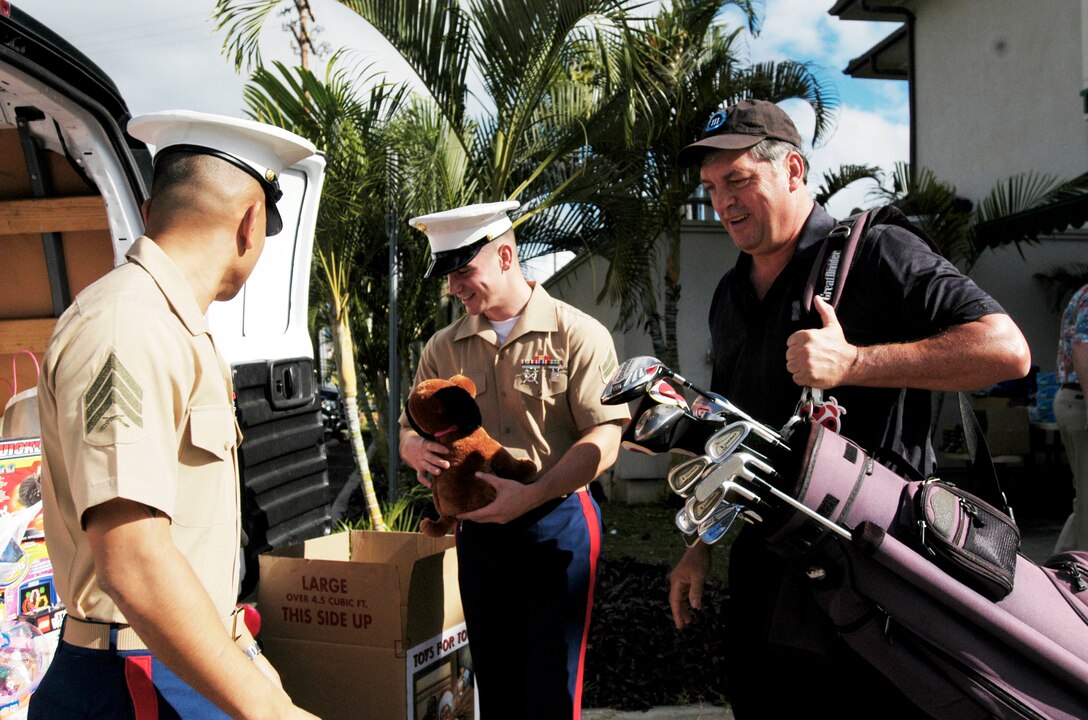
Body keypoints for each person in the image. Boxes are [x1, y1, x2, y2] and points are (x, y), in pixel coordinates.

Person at [666, 99, 1031, 718]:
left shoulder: (877, 253)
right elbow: (733, 435)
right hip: (765, 579)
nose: (722, 202)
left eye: (739, 181)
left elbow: (1007, 350)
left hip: (871, 581)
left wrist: (856, 363)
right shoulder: (730, 291)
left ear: (793, 170)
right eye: (711, 187)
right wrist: (699, 540)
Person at [32, 110, 320, 720]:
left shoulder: (172, 328)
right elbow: (133, 558)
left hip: (184, 658)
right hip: (136, 677)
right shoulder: (127, 327)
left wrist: (254, 672)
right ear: (249, 225)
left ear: (146, 210)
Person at [400, 201, 629, 719]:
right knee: (496, 686)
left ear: (505, 255)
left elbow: (607, 435)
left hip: (558, 522)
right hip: (479, 531)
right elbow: (409, 428)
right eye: (448, 276)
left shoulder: (577, 334)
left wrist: (532, 494)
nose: (454, 288)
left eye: (463, 271)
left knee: (551, 688)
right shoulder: (443, 347)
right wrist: (416, 449)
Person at [1054, 283, 1088, 553]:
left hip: (1075, 400)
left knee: (1084, 500)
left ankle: (1057, 574)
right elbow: (1082, 349)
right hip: (1081, 401)